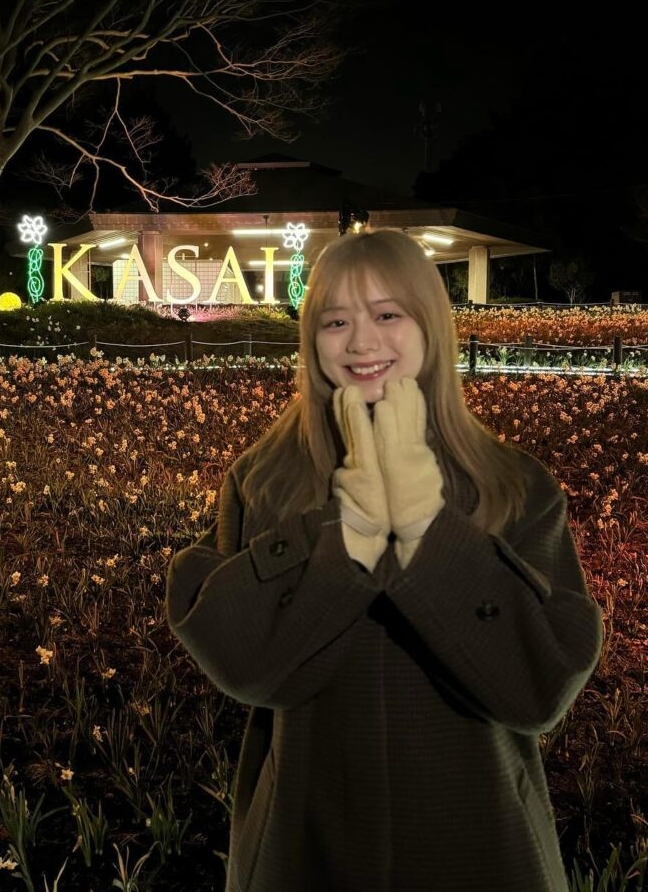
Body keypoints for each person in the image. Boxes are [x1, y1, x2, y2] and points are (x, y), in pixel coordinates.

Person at [164, 227, 604, 892]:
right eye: (336, 321)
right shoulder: (265, 479)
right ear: (312, 340)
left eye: (388, 315)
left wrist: (430, 526)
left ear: (431, 328)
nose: (362, 343)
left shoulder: (512, 486)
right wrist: (348, 530)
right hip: (306, 839)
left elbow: (537, 689)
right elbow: (247, 666)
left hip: (479, 836)